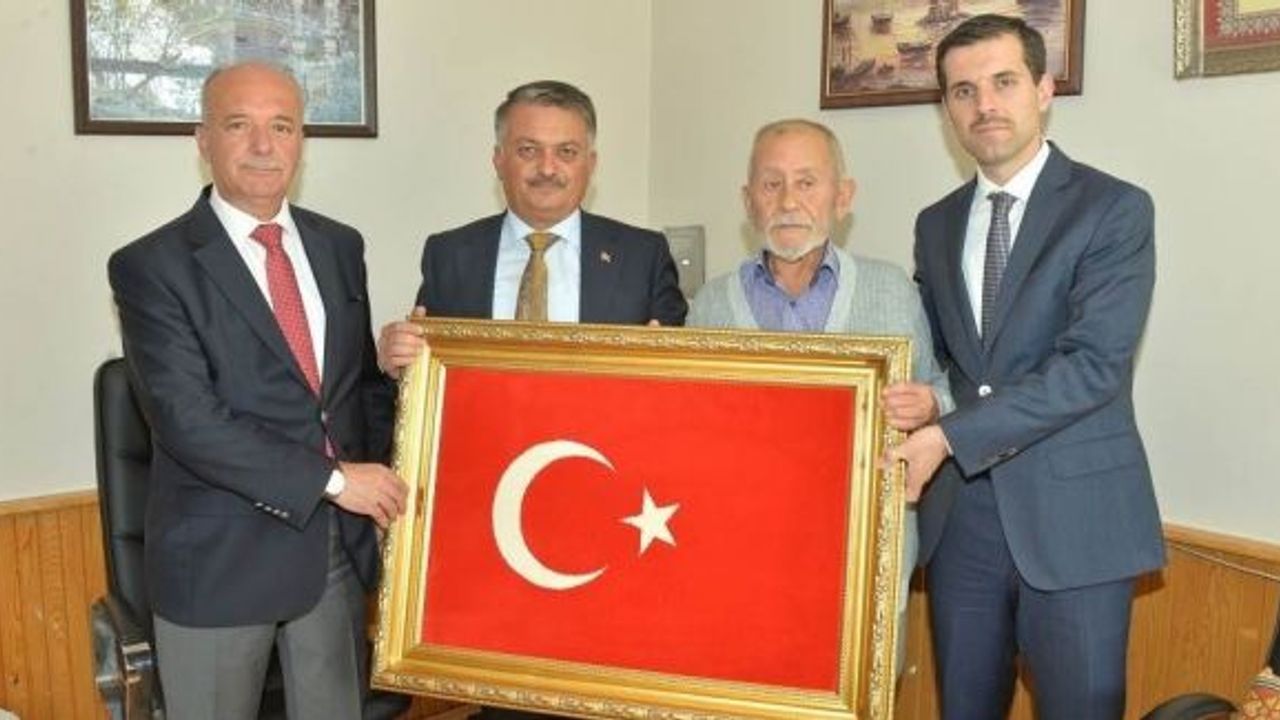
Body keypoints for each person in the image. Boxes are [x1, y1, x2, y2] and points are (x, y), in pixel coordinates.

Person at [108, 62, 408, 720]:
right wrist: (337, 481)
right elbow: (188, 421)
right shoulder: (151, 265)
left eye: (283, 126)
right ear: (203, 140)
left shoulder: (339, 246)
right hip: (220, 564)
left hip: (333, 553)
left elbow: (351, 392)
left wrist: (402, 382)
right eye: (239, 125)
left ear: (302, 141)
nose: (264, 146)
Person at [888, 15, 1164, 719]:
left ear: (1043, 90)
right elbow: (951, 360)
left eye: (1004, 82)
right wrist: (931, 400)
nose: (984, 105)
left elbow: (1093, 367)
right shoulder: (935, 223)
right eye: (963, 91)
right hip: (963, 524)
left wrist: (949, 434)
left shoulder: (1113, 209)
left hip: (1077, 522)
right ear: (947, 109)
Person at [687, 118, 952, 674]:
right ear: (748, 201)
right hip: (739, 575)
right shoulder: (709, 305)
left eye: (807, 182)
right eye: (771, 184)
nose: (788, 201)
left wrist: (931, 404)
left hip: (864, 570)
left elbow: (943, 389)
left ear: (843, 196)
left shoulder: (893, 292)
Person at [377, 80, 686, 376]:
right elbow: (426, 378)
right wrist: (399, 366)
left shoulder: (644, 257)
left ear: (591, 164)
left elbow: (682, 383)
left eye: (566, 152)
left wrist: (667, 364)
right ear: (499, 160)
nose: (547, 168)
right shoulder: (450, 255)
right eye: (528, 150)